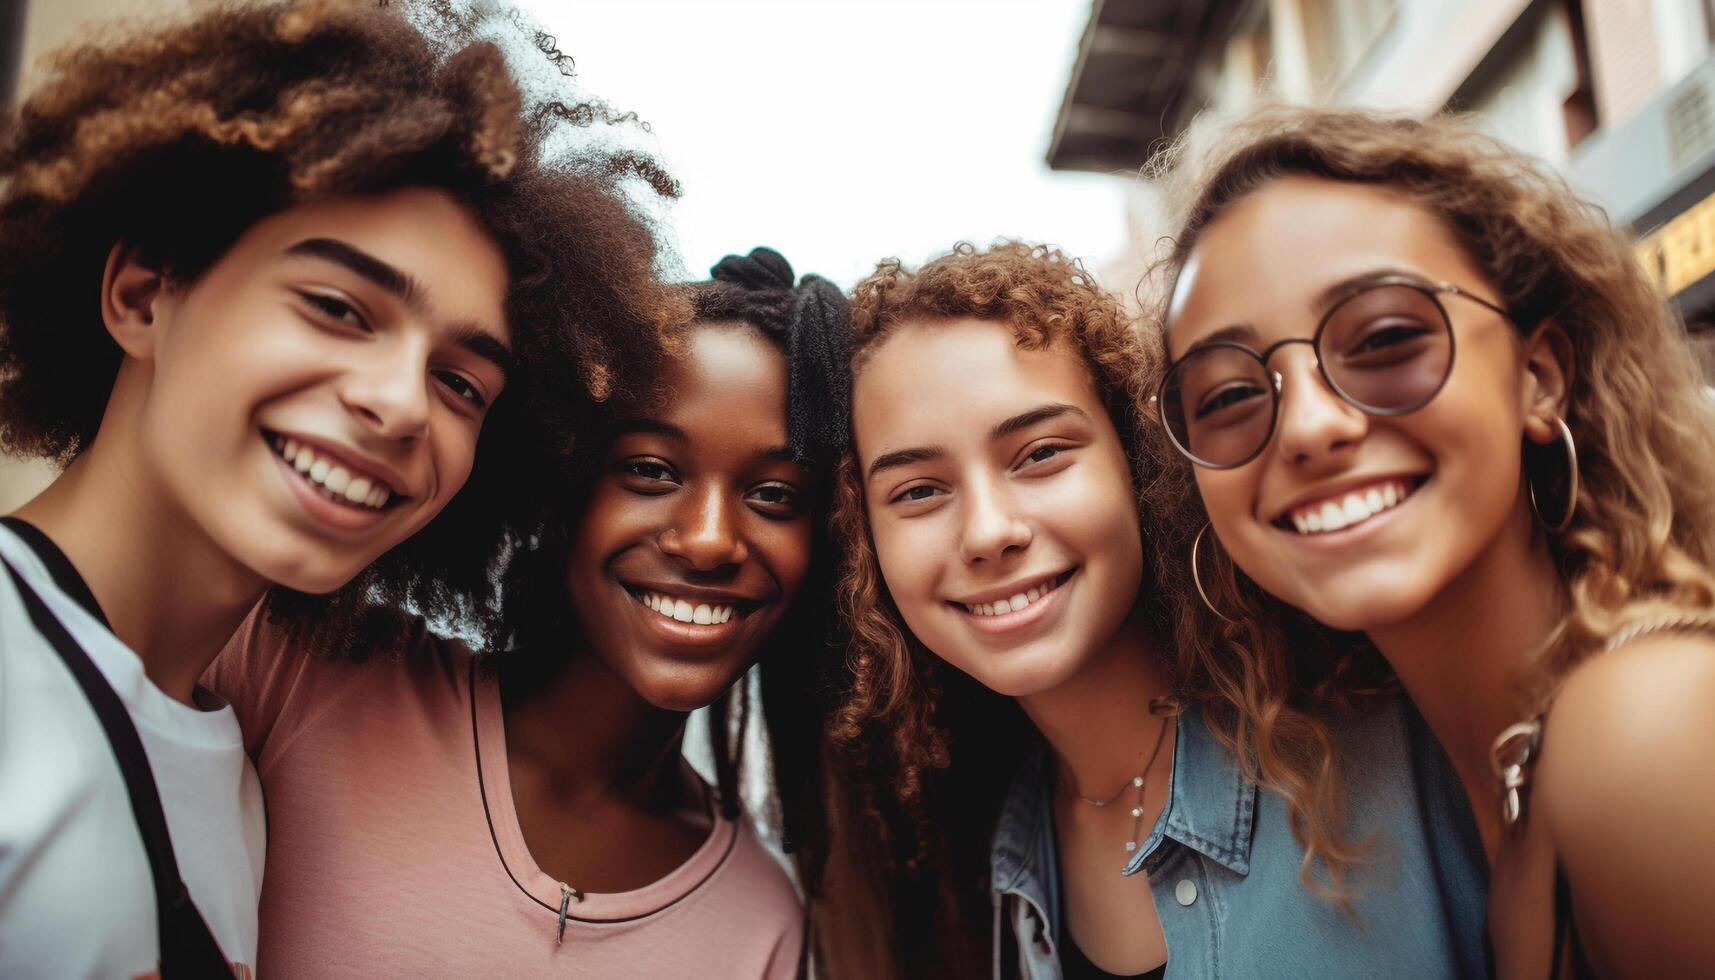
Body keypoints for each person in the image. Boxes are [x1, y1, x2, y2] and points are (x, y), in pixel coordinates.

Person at [0, 1, 681, 976]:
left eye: (461, 382)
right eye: (335, 307)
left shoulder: (232, 779)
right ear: (145, 292)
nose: (402, 404)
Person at [817, 241, 1486, 979]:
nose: (987, 532)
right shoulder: (996, 848)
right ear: (865, 548)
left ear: (1137, 458)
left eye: (1039, 453)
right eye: (917, 491)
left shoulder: (1380, 725)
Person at [1151, 104, 1715, 976]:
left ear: (1537, 377)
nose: (1307, 427)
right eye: (1227, 396)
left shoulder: (1638, 727)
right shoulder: (1508, 773)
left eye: (1382, 338)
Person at [207, 247, 847, 977]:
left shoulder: (759, 925)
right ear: (562, 481)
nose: (707, 540)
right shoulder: (300, 669)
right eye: (649, 471)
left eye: (774, 496)